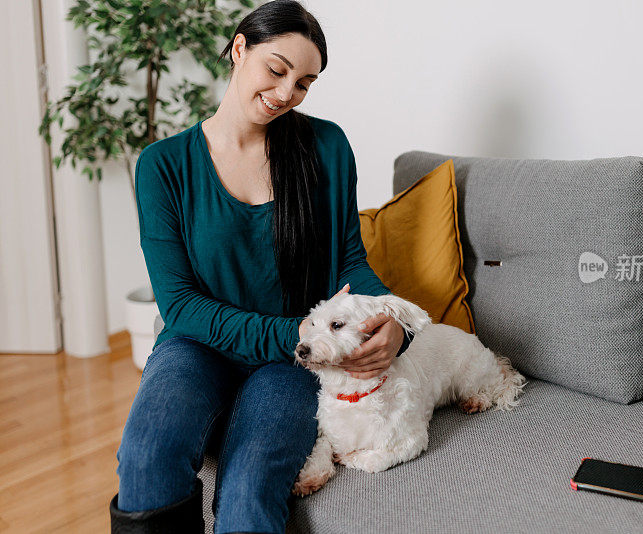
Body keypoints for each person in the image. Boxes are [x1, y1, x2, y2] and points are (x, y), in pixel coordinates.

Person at [109, 1, 414, 532]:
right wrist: (290, 332)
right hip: (198, 347)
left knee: (250, 486)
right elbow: (179, 305)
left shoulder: (326, 146)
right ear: (239, 46)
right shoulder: (164, 165)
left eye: (303, 83)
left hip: (293, 362)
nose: (285, 93)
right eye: (277, 69)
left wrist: (396, 322)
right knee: (146, 454)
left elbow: (348, 263)